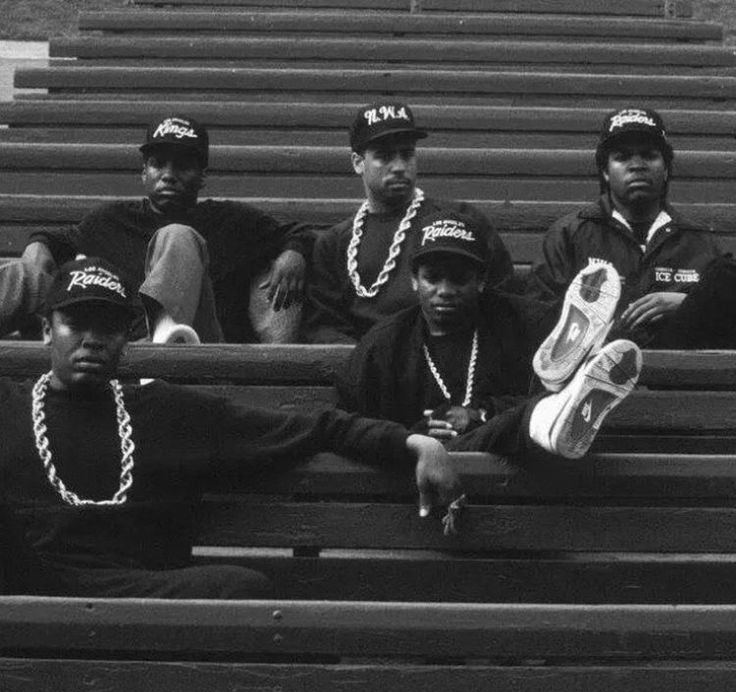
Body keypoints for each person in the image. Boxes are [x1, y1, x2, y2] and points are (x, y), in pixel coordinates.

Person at [0, 257, 460, 599]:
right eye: (75, 324)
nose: (92, 340)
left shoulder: (161, 410)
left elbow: (309, 428)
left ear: (126, 339)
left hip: (143, 593)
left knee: (243, 588)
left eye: (109, 327)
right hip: (28, 586)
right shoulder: (9, 404)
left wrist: (410, 441)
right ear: (46, 331)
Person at [337, 211, 642, 462]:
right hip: (417, 472)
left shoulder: (523, 322)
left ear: (481, 281)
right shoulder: (383, 346)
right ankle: (545, 415)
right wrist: (414, 436)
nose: (444, 290)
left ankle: (564, 382)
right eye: (432, 278)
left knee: (519, 417)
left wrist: (480, 414)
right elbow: (354, 429)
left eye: (459, 278)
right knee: (521, 422)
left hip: (513, 472)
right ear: (414, 281)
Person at [14, 114, 312, 344]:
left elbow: (298, 234)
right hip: (123, 346)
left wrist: (292, 255)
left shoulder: (232, 221)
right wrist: (37, 243)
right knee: (17, 275)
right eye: (158, 164)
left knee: (177, 235)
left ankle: (164, 339)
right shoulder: (109, 220)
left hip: (200, 347)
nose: (169, 175)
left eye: (183, 166)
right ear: (144, 172)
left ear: (202, 176)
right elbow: (57, 240)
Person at [302, 101, 513, 344]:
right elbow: (323, 325)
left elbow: (501, 296)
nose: (400, 167)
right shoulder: (335, 243)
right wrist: (367, 362)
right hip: (368, 367)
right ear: (358, 162)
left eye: (407, 154)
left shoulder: (460, 220)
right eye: (384, 157)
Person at [528, 107, 727, 348]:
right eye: (622, 157)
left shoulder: (698, 242)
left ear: (665, 170)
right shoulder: (569, 234)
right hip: (585, 376)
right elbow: (536, 317)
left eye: (649, 155)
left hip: (675, 379)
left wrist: (688, 304)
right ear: (605, 172)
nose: (637, 166)